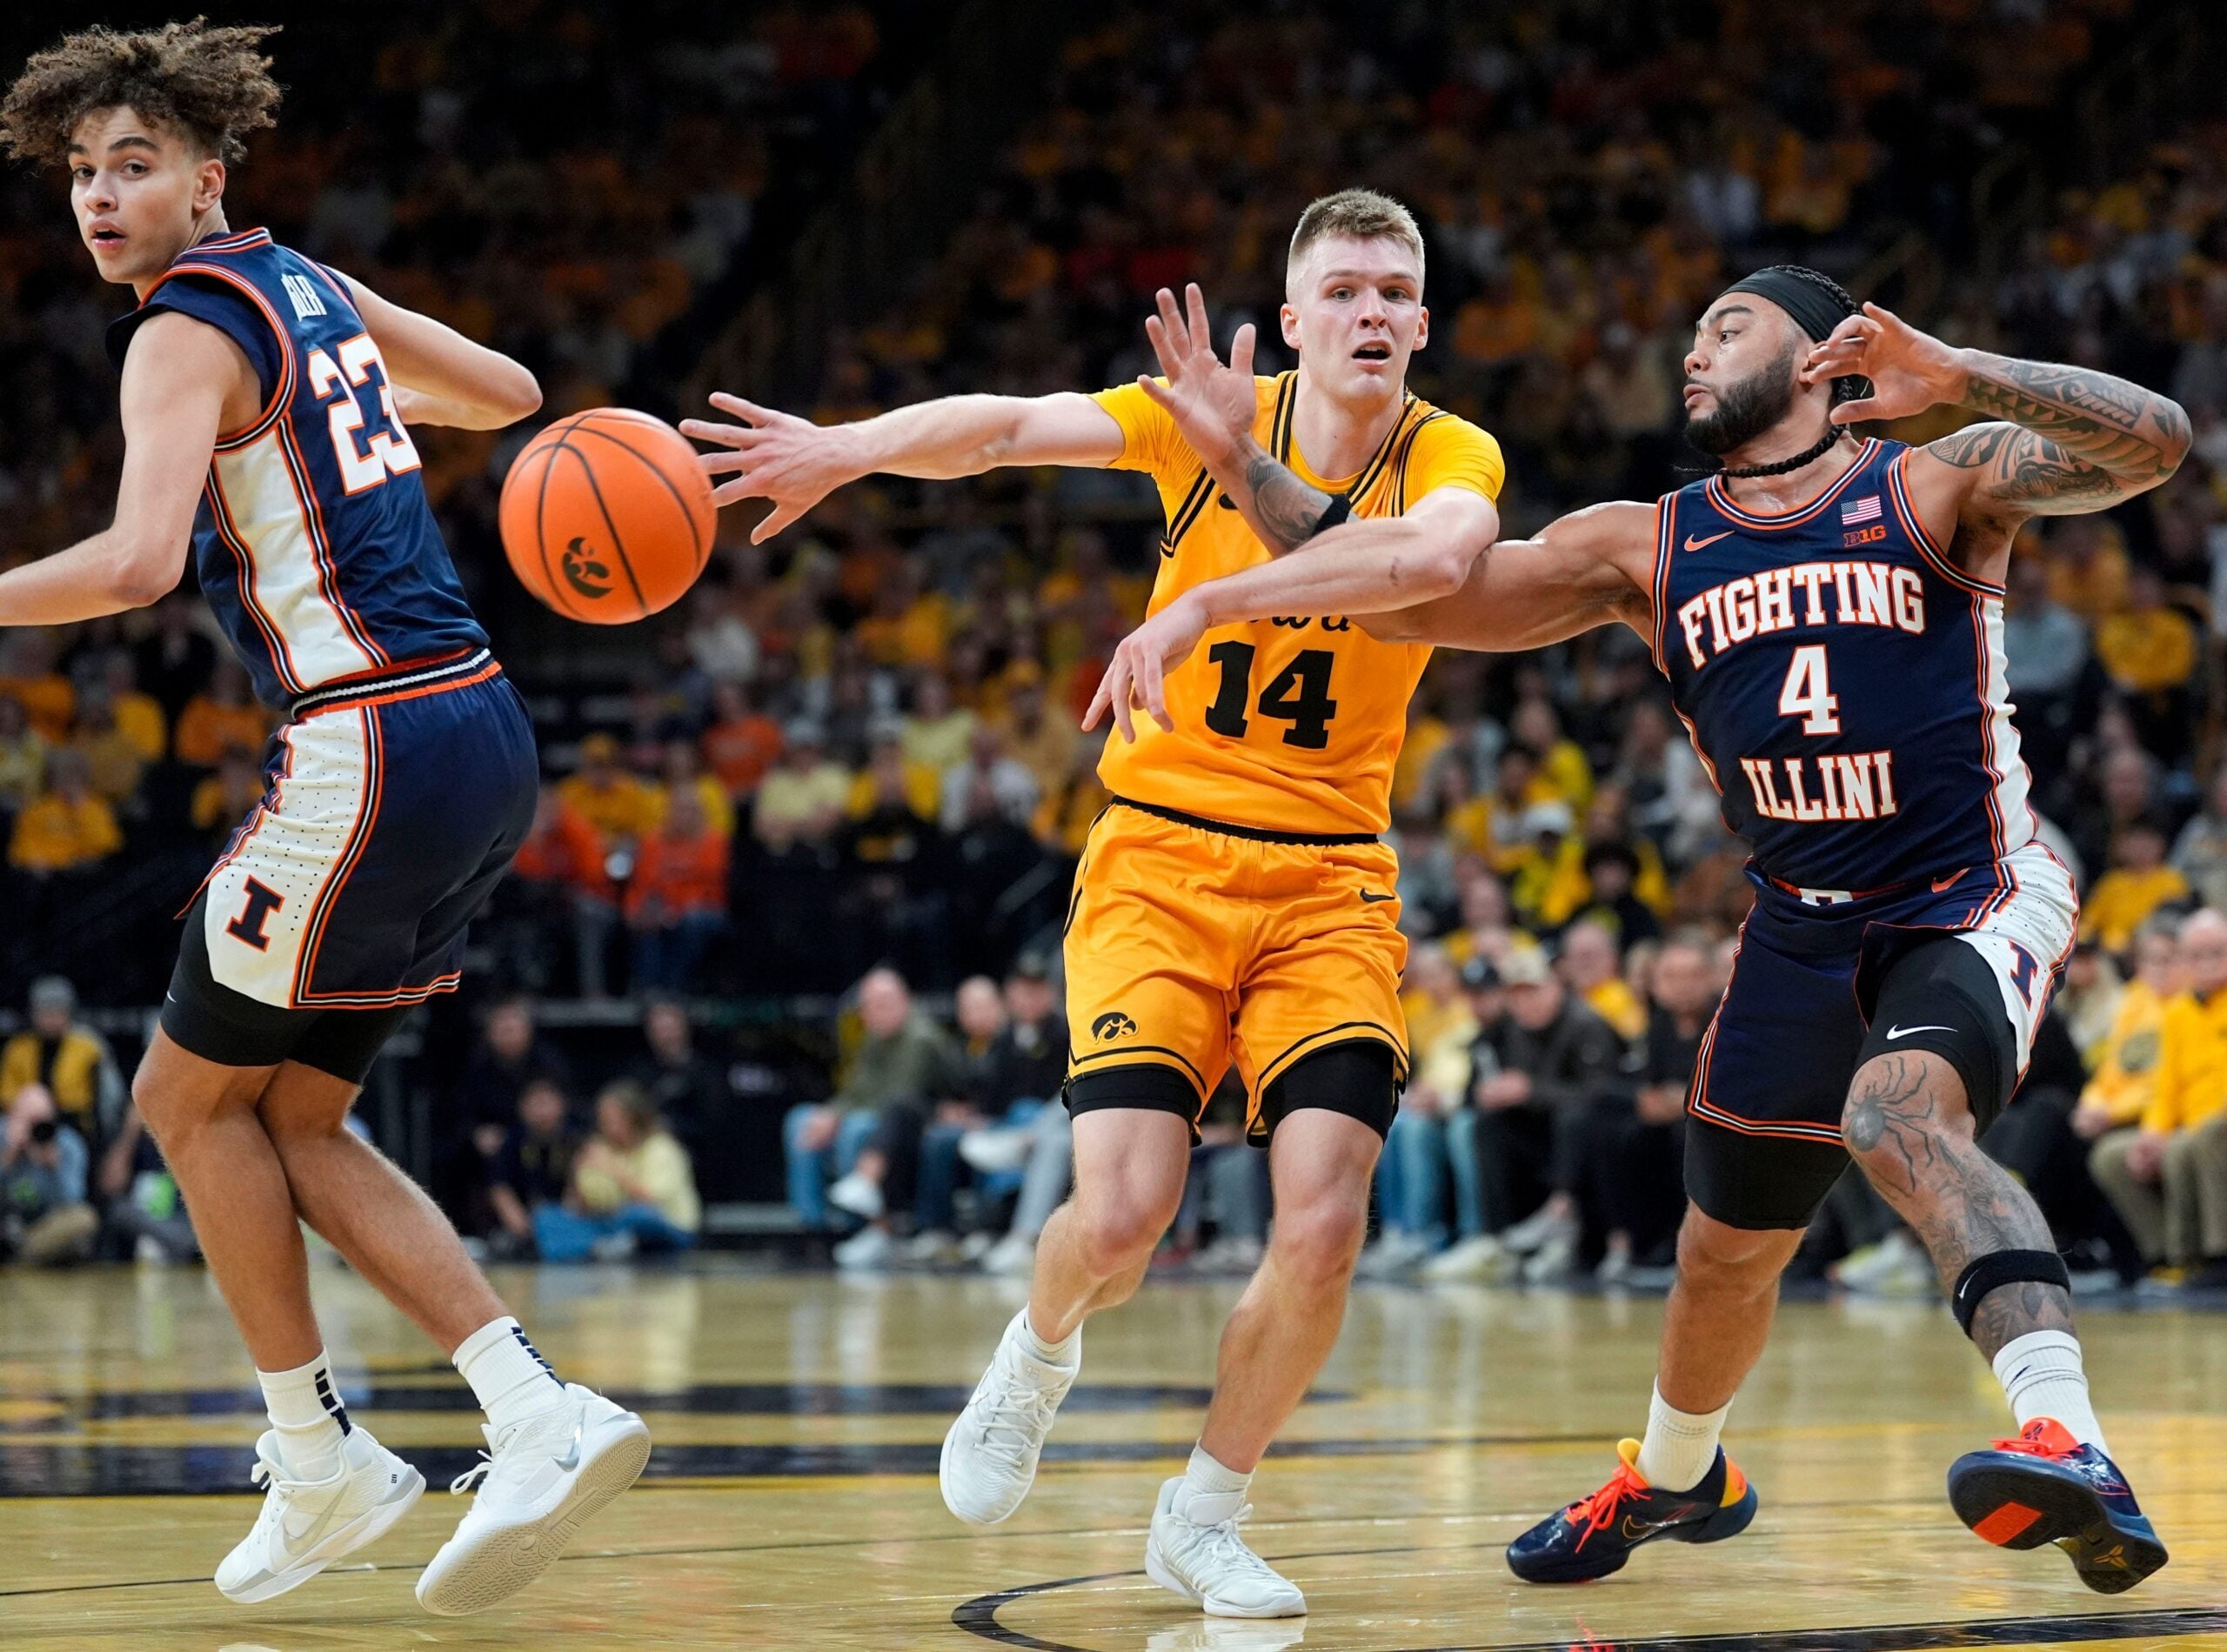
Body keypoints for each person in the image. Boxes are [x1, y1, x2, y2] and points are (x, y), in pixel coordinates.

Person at [1106, 260, 2187, 1590]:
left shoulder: (1929, 480)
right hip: (1799, 921)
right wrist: (1236, 466)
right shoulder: (1647, 541)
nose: (1692, 352)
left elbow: (2156, 443)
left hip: (1964, 891)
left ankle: (2070, 1437)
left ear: (1816, 356)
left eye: (1724, 328)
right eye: (1688, 333)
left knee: (1897, 1117)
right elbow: (1416, 590)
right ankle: (1678, 1475)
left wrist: (1961, 374)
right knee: (1719, 1249)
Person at [691, 188, 1504, 1615]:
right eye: (1347, 290)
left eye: (1397, 290)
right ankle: (1040, 1342)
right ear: (1296, 322)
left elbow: (1432, 566)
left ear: (1423, 323)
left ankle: (1205, 1507)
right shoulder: (1199, 414)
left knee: (1324, 1214)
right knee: (1123, 1212)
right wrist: (845, 450)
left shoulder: (1452, 451)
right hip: (1164, 857)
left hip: (1331, 880)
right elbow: (1005, 425)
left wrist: (1207, 587)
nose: (1374, 310)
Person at [0, 22, 647, 1613]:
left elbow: (142, 562)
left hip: (368, 733)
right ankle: (477, 1411)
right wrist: (335, 409)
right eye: (83, 172)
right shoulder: (303, 284)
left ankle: (363, 1440)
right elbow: (504, 391)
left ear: (206, 177)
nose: (100, 197)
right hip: (481, 723)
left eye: (134, 165)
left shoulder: (174, 334)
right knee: (285, 1115)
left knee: (179, 1098)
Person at [2088, 908, 2227, 1288]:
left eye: (2218, 953)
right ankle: (2163, 1257)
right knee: (2113, 1155)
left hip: (2216, 1123)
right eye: (2197, 955)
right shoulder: (2179, 1013)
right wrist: (2153, 1135)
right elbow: (2166, 1087)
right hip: (2189, 1123)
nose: (2207, 964)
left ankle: (2215, 1256)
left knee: (2202, 1138)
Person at [532, 1081, 701, 1263]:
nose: (604, 1126)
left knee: (639, 1215)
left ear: (634, 1118)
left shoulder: (662, 1148)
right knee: (547, 1216)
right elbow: (582, 1207)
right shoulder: (600, 1148)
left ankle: (601, 1246)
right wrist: (576, 1174)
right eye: (601, 1120)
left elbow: (652, 1201)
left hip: (669, 1225)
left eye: (611, 1120)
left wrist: (612, 1170)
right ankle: (601, 1248)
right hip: (613, 1224)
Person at [0, 1084, 98, 1264]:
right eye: (30, 1121)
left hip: (39, 1229)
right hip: (4, 1222)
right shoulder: (3, 1135)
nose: (35, 1128)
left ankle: (19, 1260)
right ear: (13, 1115)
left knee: (84, 1218)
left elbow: (72, 1202)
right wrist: (8, 1158)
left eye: (41, 1121)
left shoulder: (67, 1145)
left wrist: (53, 1168)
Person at [485, 1076, 578, 1262]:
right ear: (523, 1108)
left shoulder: (576, 1140)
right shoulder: (511, 1143)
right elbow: (499, 1187)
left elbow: (579, 1187)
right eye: (536, 1105)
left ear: (561, 1105)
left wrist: (565, 1220)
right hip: (527, 1225)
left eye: (547, 1104)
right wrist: (523, 1227)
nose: (542, 1112)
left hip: (565, 1220)